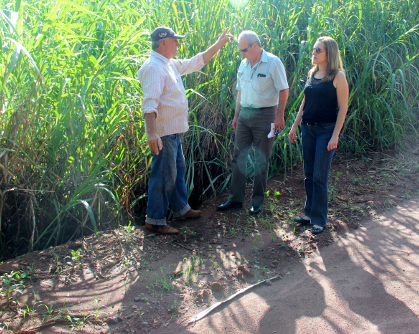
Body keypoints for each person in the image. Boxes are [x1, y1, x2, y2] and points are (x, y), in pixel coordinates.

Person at [139, 26, 233, 234]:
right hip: (162, 133)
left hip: (172, 132)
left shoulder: (168, 64)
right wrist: (152, 133)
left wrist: (218, 44)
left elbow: (196, 62)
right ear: (163, 42)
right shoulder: (154, 67)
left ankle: (182, 209)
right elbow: (149, 104)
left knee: (177, 172)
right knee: (164, 175)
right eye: (175, 41)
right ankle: (155, 220)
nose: (178, 44)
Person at [217, 31, 289, 215]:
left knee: (261, 159)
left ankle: (257, 202)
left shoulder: (274, 62)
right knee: (237, 156)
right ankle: (235, 199)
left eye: (244, 49)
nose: (241, 53)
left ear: (255, 46)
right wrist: (236, 116)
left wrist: (279, 116)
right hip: (244, 116)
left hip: (267, 116)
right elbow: (240, 92)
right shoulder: (244, 64)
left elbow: (283, 90)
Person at [288, 36, 349, 234]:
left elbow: (343, 108)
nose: (313, 52)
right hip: (308, 129)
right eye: (314, 49)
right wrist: (295, 126)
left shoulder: (338, 76)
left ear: (329, 53)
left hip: (326, 132)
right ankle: (308, 213)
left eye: (318, 50)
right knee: (309, 175)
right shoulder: (312, 73)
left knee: (320, 178)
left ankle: (320, 219)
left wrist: (335, 135)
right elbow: (304, 103)